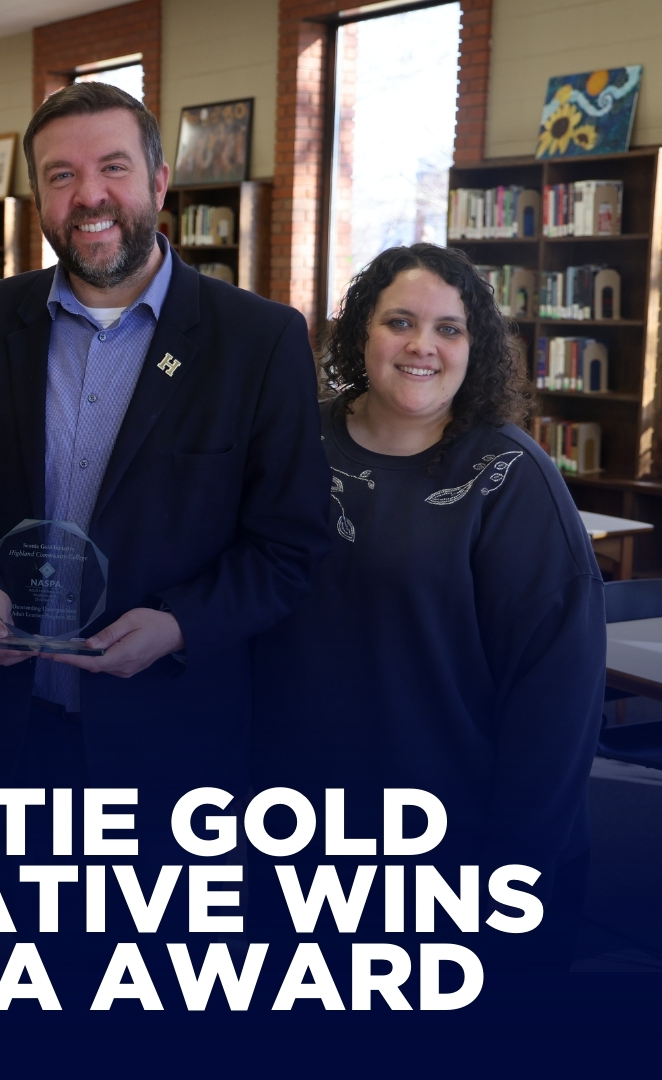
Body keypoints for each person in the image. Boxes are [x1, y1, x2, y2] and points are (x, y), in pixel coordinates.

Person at [0, 82, 331, 835]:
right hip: (18, 738)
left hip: (176, 742)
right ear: (38, 195)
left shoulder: (258, 342)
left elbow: (289, 547)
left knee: (165, 953)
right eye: (61, 176)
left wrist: (178, 625)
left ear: (159, 182)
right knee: (20, 947)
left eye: (113, 168)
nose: (89, 196)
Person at [251, 243, 605, 968]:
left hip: (458, 852)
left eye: (449, 329)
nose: (423, 346)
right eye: (400, 321)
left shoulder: (510, 478)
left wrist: (511, 875)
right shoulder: (294, 442)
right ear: (361, 335)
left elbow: (557, 695)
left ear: (476, 349)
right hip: (300, 837)